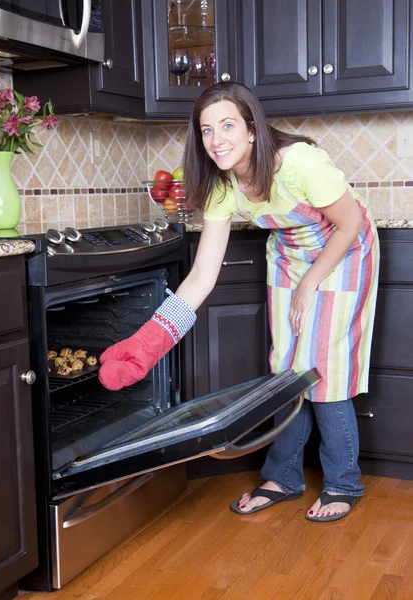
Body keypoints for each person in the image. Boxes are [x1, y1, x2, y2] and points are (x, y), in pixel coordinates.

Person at [99, 81, 379, 523]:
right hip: (289, 254)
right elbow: (200, 278)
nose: (217, 140)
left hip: (343, 251)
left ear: (252, 129)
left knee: (325, 370)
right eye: (207, 130)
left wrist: (310, 283)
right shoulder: (221, 186)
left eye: (227, 125)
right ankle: (284, 477)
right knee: (285, 369)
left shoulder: (300, 163)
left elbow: (349, 224)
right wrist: (148, 342)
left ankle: (343, 482)